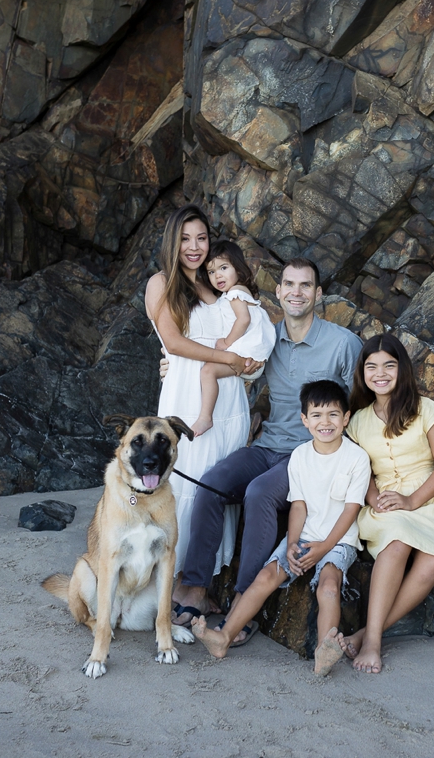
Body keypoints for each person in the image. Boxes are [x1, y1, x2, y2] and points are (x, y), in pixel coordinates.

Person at [172, 258, 362, 638]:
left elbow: (360, 406)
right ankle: (195, 586)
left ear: (318, 293)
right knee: (209, 484)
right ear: (278, 292)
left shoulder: (344, 344)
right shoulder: (268, 337)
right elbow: (227, 360)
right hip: (267, 444)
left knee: (259, 492)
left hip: (307, 454)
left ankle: (243, 603)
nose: (296, 292)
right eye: (288, 284)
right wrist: (174, 365)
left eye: (305, 285)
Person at [192, 380, 370, 676]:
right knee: (265, 576)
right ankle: (223, 637)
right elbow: (298, 506)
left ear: (346, 418)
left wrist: (324, 548)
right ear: (304, 420)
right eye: (316, 415)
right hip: (304, 535)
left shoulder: (356, 458)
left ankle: (323, 652)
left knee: (328, 587)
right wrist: (292, 543)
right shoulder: (300, 456)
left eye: (333, 415)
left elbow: (352, 509)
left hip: (338, 541)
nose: (325, 422)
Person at [144, 205, 258, 580]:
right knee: (187, 482)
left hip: (229, 400)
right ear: (172, 242)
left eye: (202, 238)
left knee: (220, 485)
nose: (194, 247)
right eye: (185, 239)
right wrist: (227, 356)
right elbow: (174, 343)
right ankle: (175, 583)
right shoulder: (161, 283)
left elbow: (249, 326)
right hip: (189, 399)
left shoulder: (216, 285)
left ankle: (207, 582)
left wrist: (246, 362)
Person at [342, 333, 434, 674]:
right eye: (371, 367)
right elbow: (359, 469)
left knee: (431, 564)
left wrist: (411, 500)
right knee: (396, 541)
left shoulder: (425, 409)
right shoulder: (356, 421)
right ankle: (373, 644)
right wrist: (372, 499)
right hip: (385, 500)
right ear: (362, 373)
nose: (380, 373)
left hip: (431, 499)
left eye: (389, 365)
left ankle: (367, 633)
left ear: (402, 369)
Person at [192, 241, 276, 437]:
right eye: (211, 272)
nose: (217, 275)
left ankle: (206, 417)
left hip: (247, 356)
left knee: (208, 371)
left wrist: (227, 343)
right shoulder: (233, 294)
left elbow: (244, 319)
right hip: (251, 357)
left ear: (238, 268)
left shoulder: (236, 293)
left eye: (223, 268)